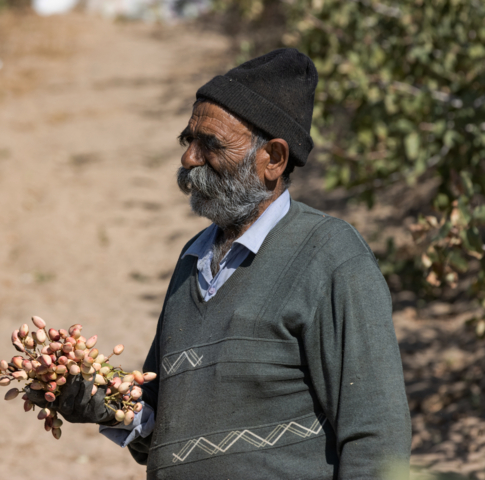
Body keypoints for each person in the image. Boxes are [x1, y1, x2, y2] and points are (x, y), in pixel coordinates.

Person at [28, 48, 412, 479]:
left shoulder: (330, 257)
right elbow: (167, 436)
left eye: (210, 145)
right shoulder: (193, 259)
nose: (189, 158)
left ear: (274, 159)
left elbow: (377, 439)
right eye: (187, 141)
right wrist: (97, 400)